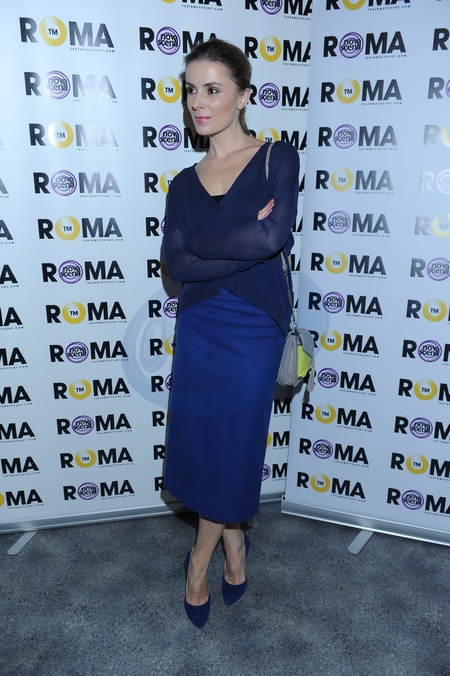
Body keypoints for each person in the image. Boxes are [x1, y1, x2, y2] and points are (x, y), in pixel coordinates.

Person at [163, 38, 299, 628]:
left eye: (213, 89)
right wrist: (234, 244)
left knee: (235, 442)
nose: (198, 101)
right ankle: (234, 543)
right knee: (200, 440)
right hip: (199, 322)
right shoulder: (183, 182)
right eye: (191, 90)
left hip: (253, 326)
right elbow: (177, 266)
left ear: (243, 96)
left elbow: (271, 239)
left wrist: (201, 245)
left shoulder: (276, 159)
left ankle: (199, 561)